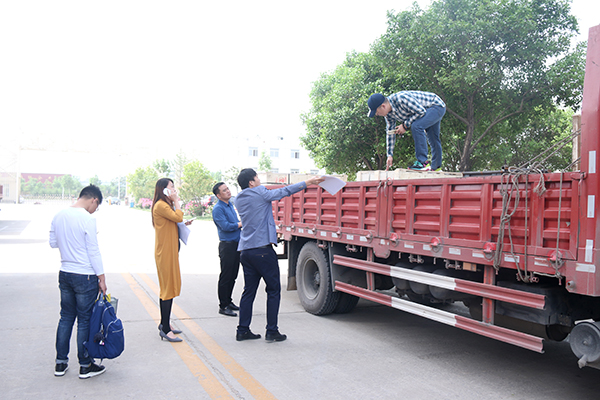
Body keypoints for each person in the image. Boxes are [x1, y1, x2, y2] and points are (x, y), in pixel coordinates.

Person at [234, 168, 325, 342]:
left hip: (246, 250)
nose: (259, 180)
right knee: (273, 290)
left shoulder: (239, 198)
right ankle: (271, 330)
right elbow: (284, 192)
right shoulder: (260, 193)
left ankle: (242, 329)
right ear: (251, 183)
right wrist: (309, 182)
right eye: (256, 178)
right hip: (262, 250)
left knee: (248, 292)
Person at [50, 184, 107, 379]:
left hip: (65, 272)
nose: (95, 210)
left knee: (66, 317)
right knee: (84, 320)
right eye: (96, 206)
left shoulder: (58, 215)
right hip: (85, 275)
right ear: (94, 200)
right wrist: (102, 277)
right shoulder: (87, 219)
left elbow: (53, 243)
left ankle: (60, 363)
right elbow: (93, 249)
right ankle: (84, 365)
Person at [152, 178, 192, 343]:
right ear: (163, 190)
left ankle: (165, 323)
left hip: (170, 251)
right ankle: (165, 329)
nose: (174, 190)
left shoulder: (164, 205)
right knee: (167, 290)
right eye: (171, 187)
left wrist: (182, 222)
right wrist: (176, 201)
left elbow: (175, 220)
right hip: (165, 252)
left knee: (170, 287)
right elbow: (176, 216)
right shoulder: (161, 205)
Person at [367, 91, 446, 172]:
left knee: (417, 126)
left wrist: (405, 126)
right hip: (427, 110)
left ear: (383, 106)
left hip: (436, 106)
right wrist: (389, 155)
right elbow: (390, 132)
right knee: (432, 136)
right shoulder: (388, 115)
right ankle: (437, 168)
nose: (377, 114)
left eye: (376, 112)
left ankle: (423, 163)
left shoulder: (401, 99)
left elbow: (421, 112)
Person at [212, 182, 242, 317]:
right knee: (226, 276)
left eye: (228, 189)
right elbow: (225, 226)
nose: (228, 192)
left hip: (236, 244)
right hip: (227, 245)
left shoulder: (230, 205)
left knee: (233, 276)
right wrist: (241, 224)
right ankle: (223, 305)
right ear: (218, 195)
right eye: (224, 191)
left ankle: (229, 301)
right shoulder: (218, 208)